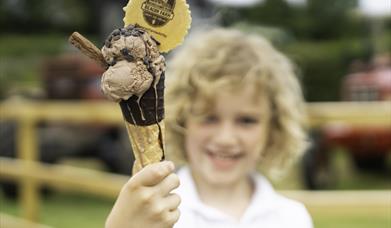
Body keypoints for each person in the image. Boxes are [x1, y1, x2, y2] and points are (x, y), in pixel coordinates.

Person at [105, 28, 313, 228]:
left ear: (274, 127)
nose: (226, 138)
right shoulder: (154, 212)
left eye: (247, 121)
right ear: (181, 120)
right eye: (209, 118)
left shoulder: (292, 218)